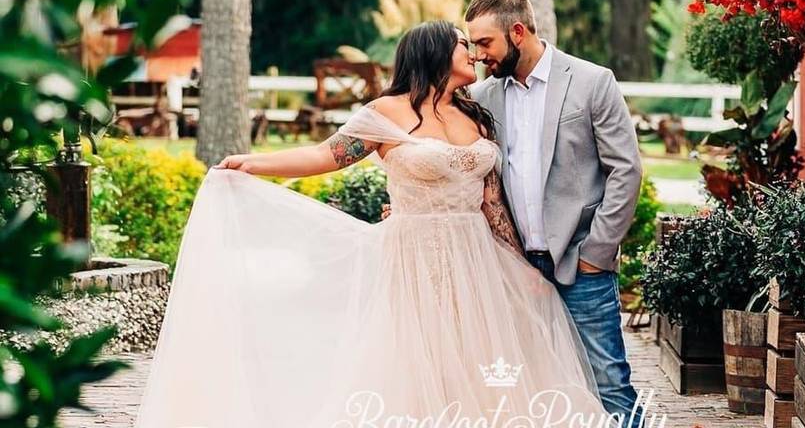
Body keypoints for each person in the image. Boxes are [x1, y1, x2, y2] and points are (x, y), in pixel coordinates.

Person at [134, 21, 614, 428]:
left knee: (483, 364)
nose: (472, 53)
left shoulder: (477, 115)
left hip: (478, 259)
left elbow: (492, 203)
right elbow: (326, 155)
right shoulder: (385, 113)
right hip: (414, 257)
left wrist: (517, 264)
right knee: (418, 363)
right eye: (462, 45)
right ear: (434, 53)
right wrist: (254, 164)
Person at [465, 0, 644, 426]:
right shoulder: (484, 97)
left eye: (484, 43)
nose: (477, 55)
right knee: (534, 386)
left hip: (581, 266)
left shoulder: (591, 82)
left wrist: (596, 255)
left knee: (609, 384)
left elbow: (626, 170)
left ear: (518, 32)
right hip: (516, 270)